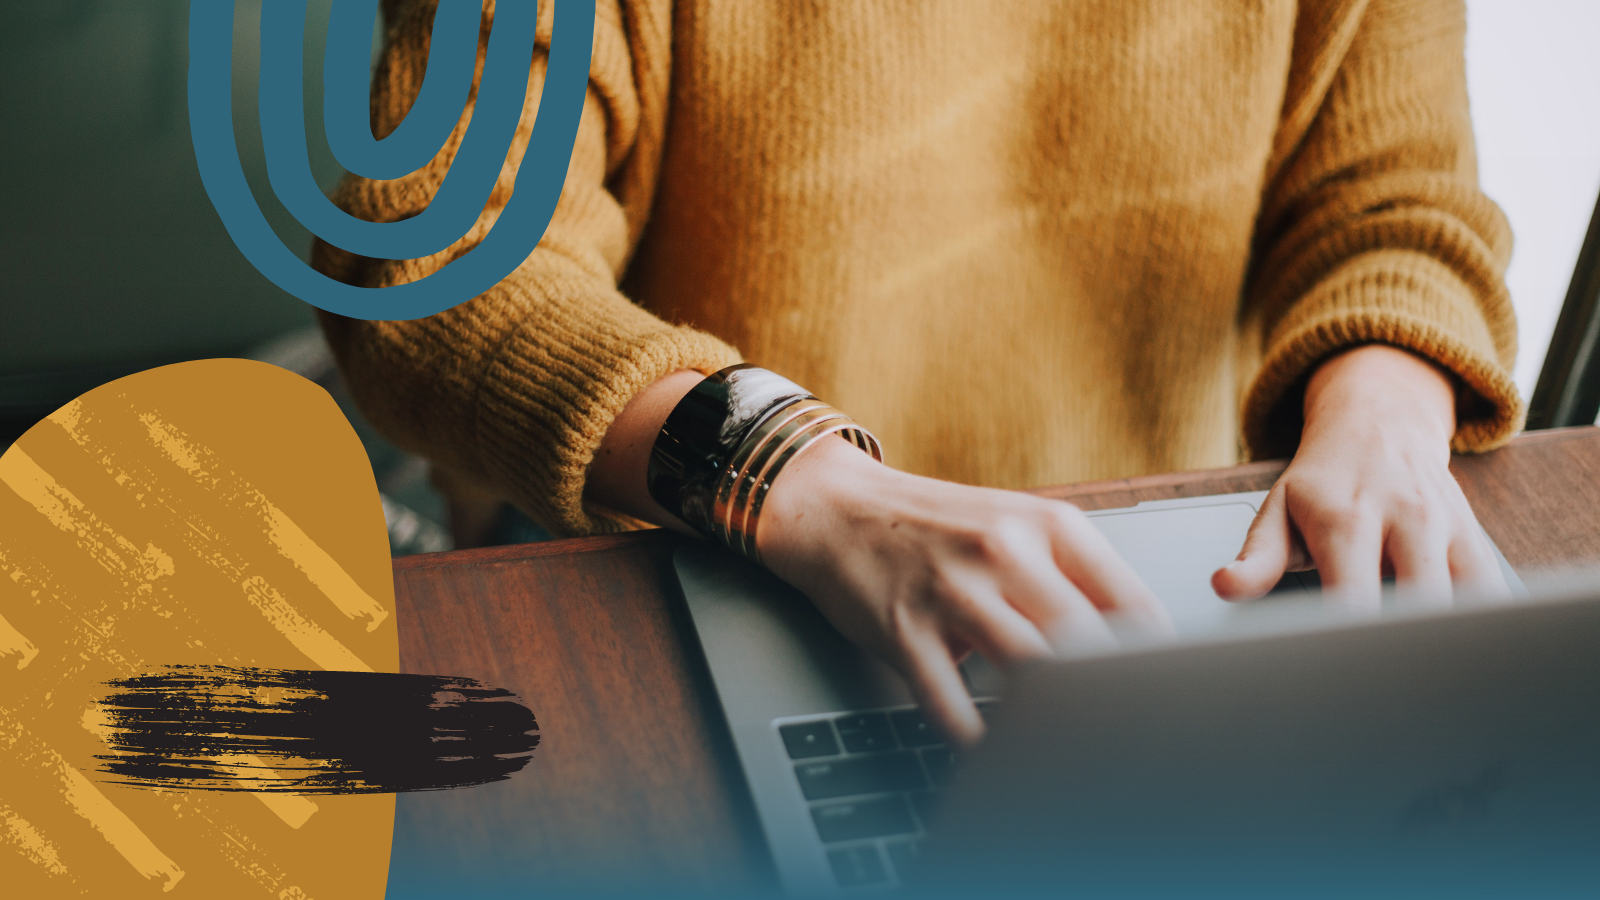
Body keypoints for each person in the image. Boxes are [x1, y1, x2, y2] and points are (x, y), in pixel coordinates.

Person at [315, 0, 1522, 745]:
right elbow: (429, 252)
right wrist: (793, 476)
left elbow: (1396, 203)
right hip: (709, 573)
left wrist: (1387, 404)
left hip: (1166, 600)